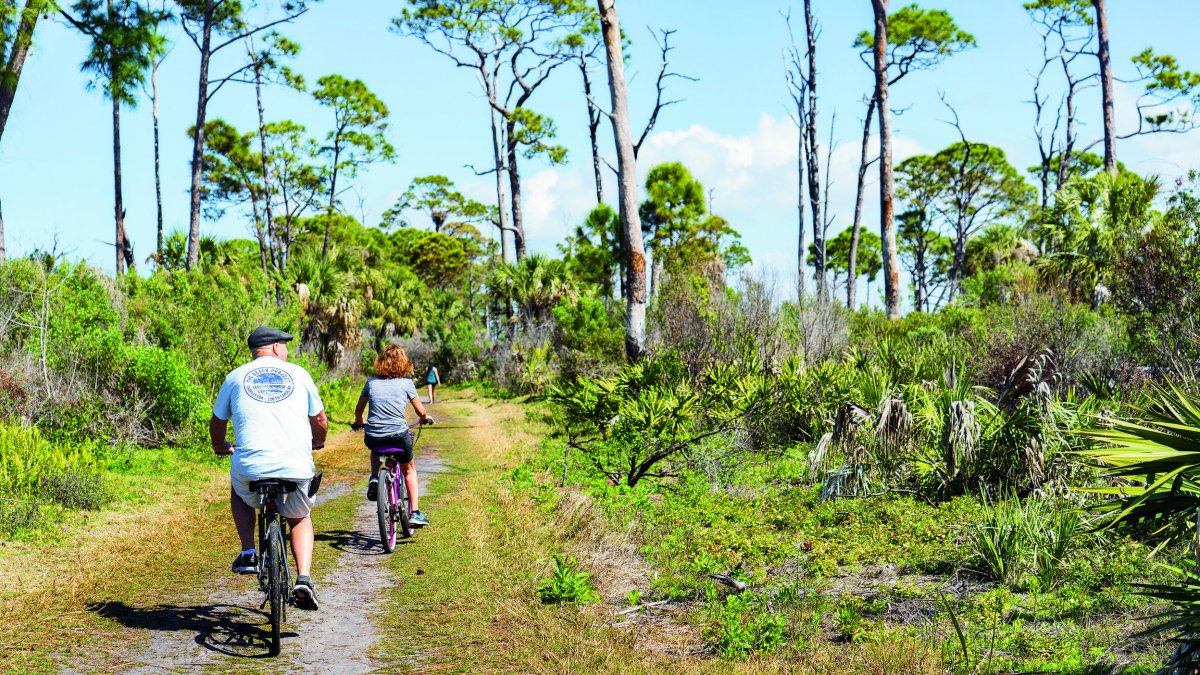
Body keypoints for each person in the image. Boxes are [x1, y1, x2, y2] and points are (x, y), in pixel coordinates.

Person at [211, 326, 328, 611]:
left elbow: (217, 423)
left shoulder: (235, 377)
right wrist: (319, 441)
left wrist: (219, 445)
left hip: (251, 465)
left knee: (239, 490)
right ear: (276, 348)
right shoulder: (299, 375)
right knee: (299, 517)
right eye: (285, 346)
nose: (287, 351)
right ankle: (303, 578)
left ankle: (249, 552)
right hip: (295, 464)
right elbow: (321, 419)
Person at [354, 344, 432, 527]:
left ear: (380, 362)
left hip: (373, 435)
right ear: (404, 363)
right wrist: (424, 418)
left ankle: (374, 476)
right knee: (409, 469)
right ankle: (415, 512)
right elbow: (420, 411)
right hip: (398, 434)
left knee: (375, 448)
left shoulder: (371, 383)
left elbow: (359, 410)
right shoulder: (406, 383)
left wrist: (359, 421)